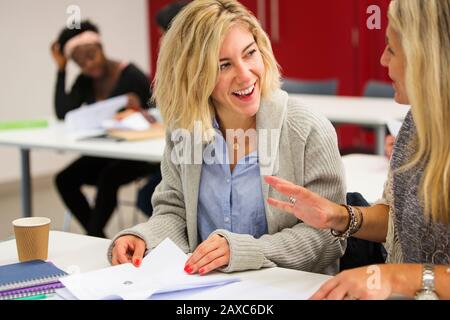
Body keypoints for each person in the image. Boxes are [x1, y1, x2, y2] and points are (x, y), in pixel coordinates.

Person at [109, 0, 347, 275]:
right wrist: (143, 237)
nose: (245, 75)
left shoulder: (307, 129)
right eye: (223, 65)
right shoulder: (185, 129)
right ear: (195, 76)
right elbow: (174, 209)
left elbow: (329, 236)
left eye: (249, 54)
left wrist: (246, 251)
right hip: (207, 290)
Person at [265, 0, 450, 300]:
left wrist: (397, 277)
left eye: (391, 48)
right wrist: (338, 216)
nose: (382, 60)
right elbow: (399, 220)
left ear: (425, 56)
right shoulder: (417, 123)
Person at [51, 20, 160, 238]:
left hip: (140, 155)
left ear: (101, 48)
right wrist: (62, 69)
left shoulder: (130, 74)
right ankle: (98, 236)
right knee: (64, 179)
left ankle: (92, 236)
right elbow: (63, 112)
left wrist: (139, 111)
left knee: (108, 177)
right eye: (80, 62)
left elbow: (161, 115)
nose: (88, 64)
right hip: (107, 152)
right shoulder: (85, 80)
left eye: (91, 55)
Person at [136, 0, 188, 217]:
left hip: (195, 156)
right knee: (147, 196)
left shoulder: (196, 71)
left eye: (163, 34)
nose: (160, 40)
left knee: (147, 197)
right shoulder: (173, 69)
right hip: (177, 152)